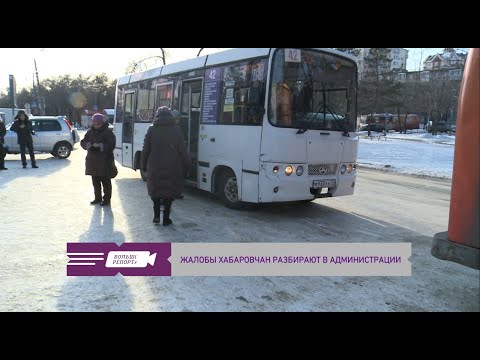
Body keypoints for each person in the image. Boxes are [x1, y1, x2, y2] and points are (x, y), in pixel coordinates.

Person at [141, 107, 190, 225]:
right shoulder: (176, 129)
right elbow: (182, 150)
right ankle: (166, 218)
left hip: (154, 166)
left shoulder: (151, 130)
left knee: (155, 191)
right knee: (169, 192)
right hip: (172, 165)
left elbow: (145, 150)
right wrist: (187, 164)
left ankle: (156, 216)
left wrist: (143, 165)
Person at [80, 113, 116, 206]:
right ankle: (97, 198)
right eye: (94, 124)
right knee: (95, 182)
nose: (96, 126)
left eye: (98, 124)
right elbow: (83, 142)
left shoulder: (108, 132)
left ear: (102, 123)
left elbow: (111, 145)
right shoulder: (90, 132)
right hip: (92, 161)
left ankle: (107, 199)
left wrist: (101, 146)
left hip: (104, 162)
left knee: (106, 182)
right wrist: (87, 145)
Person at [170, 109, 185, 200]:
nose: (179, 120)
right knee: (175, 176)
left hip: (171, 156)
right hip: (174, 156)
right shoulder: (176, 129)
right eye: (178, 119)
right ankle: (175, 193)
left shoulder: (174, 128)